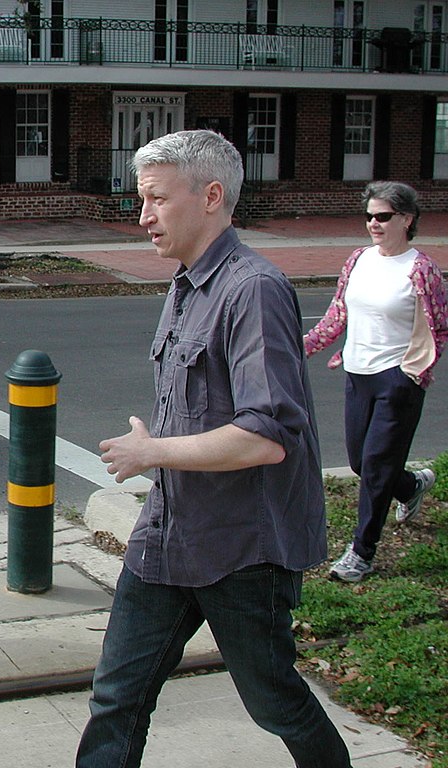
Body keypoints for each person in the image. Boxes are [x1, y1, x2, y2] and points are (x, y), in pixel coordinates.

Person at [75, 130, 351, 768]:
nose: (142, 215)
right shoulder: (184, 285)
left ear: (212, 197)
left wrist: (153, 453)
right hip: (169, 538)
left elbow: (266, 436)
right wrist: (159, 457)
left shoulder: (253, 289)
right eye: (140, 200)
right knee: (117, 696)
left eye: (156, 199)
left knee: (273, 701)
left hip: (241, 550)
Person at [305, 181, 448, 583]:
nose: (374, 224)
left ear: (407, 219)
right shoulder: (358, 260)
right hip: (357, 373)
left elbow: (439, 325)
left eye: (383, 216)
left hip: (397, 381)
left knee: (376, 465)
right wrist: (301, 348)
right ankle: (412, 485)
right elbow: (337, 315)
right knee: (360, 462)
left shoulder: (421, 269)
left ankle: (361, 553)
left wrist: (413, 372)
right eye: (369, 216)